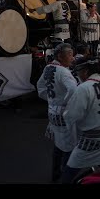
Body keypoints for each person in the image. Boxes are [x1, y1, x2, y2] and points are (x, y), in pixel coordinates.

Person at [61, 58, 100, 184]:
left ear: (85, 72)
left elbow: (71, 115)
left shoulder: (84, 88)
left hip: (90, 138)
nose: (78, 75)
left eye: (79, 72)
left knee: (72, 167)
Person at [36, 43, 78, 182]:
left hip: (52, 111)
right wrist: (66, 103)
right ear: (60, 56)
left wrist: (50, 100)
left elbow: (40, 86)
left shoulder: (49, 67)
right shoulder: (64, 72)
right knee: (68, 147)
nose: (72, 58)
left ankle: (56, 175)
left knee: (58, 145)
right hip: (63, 113)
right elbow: (73, 90)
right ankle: (65, 178)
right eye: (70, 55)